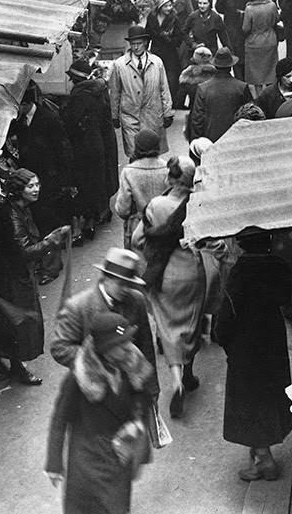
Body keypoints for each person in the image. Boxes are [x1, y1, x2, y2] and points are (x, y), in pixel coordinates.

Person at [45, 312, 156, 514]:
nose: (128, 346)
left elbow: (144, 394)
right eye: (121, 343)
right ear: (106, 348)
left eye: (128, 340)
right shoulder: (78, 378)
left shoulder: (130, 363)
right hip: (87, 462)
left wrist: (137, 421)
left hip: (119, 454)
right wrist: (54, 463)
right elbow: (59, 419)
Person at [214, 226, 292, 482]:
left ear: (241, 244)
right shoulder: (278, 265)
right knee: (269, 394)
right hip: (272, 339)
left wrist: (222, 338)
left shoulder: (240, 271)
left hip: (246, 345)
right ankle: (261, 451)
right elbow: (287, 296)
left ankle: (264, 459)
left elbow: (227, 314)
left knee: (250, 399)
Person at [134, 156, 204, 419]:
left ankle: (175, 380)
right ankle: (189, 374)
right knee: (191, 323)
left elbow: (137, 238)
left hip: (165, 273)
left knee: (168, 327)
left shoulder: (156, 205)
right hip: (192, 270)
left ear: (171, 178)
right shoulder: (197, 203)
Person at [0, 170, 68, 386]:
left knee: (7, 320)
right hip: (11, 277)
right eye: (31, 186)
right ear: (19, 190)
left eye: (37, 184)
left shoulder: (19, 209)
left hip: (8, 272)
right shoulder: (12, 216)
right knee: (20, 322)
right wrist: (52, 241)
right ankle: (17, 368)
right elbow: (24, 251)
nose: (36, 189)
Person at [51, 246, 160, 400]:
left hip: (130, 389)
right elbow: (59, 348)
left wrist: (152, 389)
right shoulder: (78, 307)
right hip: (94, 390)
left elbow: (146, 345)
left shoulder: (137, 300)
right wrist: (95, 359)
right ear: (105, 278)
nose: (125, 289)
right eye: (120, 284)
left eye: (129, 284)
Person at [7, 81, 74, 280]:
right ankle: (44, 263)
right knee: (37, 223)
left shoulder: (49, 119)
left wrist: (64, 182)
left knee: (48, 224)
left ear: (26, 104)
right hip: (32, 181)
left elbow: (64, 151)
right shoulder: (21, 121)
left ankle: (51, 269)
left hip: (49, 181)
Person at [62, 58, 115, 244]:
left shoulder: (80, 95)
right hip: (98, 144)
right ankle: (94, 219)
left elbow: (70, 122)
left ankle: (84, 226)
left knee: (81, 187)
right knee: (95, 183)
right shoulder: (100, 91)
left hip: (82, 148)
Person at [108, 25, 174, 157]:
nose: (136, 47)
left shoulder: (157, 63)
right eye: (133, 44)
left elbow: (164, 89)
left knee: (152, 154)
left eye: (139, 43)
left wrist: (167, 112)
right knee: (135, 154)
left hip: (152, 115)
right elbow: (115, 92)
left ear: (145, 43)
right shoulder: (120, 65)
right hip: (130, 117)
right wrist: (114, 116)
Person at [111, 129, 171, 249]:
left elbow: (122, 209)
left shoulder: (129, 172)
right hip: (163, 226)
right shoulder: (168, 169)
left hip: (138, 228)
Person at [190, 47, 253, 142]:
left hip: (210, 139)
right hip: (235, 138)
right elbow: (250, 116)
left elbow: (197, 119)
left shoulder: (203, 88)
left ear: (215, 65)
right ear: (231, 66)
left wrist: (196, 142)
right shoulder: (242, 87)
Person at [145, 0, 185, 104]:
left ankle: (170, 101)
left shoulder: (174, 19)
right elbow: (147, 33)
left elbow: (179, 37)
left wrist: (169, 39)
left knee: (171, 78)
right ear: (159, 7)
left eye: (170, 5)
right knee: (155, 77)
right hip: (156, 51)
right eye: (165, 6)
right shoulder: (152, 17)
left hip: (170, 52)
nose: (169, 8)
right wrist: (145, 48)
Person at [215, 0, 251, 79]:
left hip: (230, 27)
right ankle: (246, 81)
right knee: (246, 54)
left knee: (234, 55)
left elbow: (218, 8)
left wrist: (230, 11)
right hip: (247, 26)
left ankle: (239, 80)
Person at [242, 0, 279, 87]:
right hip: (270, 40)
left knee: (255, 76)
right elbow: (277, 19)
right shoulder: (272, 5)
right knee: (271, 73)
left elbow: (245, 28)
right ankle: (269, 97)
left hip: (254, 43)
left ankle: (259, 99)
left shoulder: (249, 8)